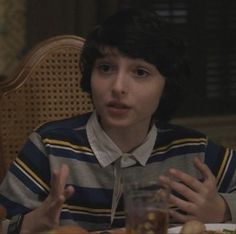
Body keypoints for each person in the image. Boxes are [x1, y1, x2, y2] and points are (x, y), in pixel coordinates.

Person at [0, 7, 235, 234]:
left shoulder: (195, 152)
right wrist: (30, 224)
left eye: (140, 72)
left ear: (167, 85)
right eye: (105, 68)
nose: (118, 87)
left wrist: (222, 209)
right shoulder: (50, 146)